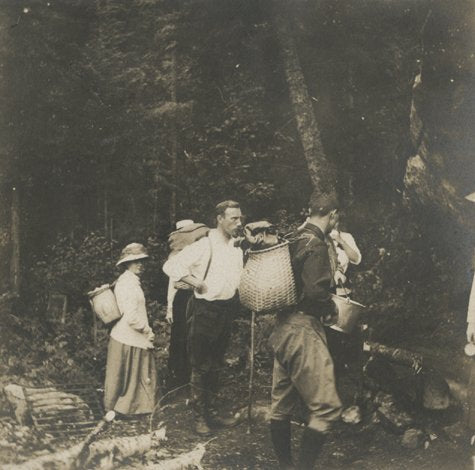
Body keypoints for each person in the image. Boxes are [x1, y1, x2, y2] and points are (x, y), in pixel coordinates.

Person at [269, 191, 342, 470]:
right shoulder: (318, 245)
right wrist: (331, 308)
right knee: (326, 408)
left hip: (282, 328)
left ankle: (286, 466)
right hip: (303, 330)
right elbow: (314, 291)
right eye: (336, 217)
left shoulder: (293, 239)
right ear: (332, 215)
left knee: (281, 405)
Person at [163, 200, 243, 435]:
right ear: (219, 219)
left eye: (240, 218)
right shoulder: (204, 245)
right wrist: (195, 281)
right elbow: (171, 266)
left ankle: (214, 413)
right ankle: (200, 417)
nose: (238, 223)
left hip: (226, 310)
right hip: (204, 311)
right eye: (233, 218)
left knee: (217, 363)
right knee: (200, 364)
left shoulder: (236, 248)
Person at [104, 243, 157, 416]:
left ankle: (131, 408)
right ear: (127, 264)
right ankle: (120, 409)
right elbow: (131, 316)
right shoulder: (126, 283)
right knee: (127, 375)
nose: (140, 264)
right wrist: (147, 330)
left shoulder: (132, 281)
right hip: (128, 335)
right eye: (135, 261)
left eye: (142, 261)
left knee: (133, 374)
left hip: (131, 335)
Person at [166, 219, 206, 390]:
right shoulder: (175, 255)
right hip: (181, 299)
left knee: (195, 336)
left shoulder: (199, 252)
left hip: (196, 296)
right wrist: (169, 308)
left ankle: (194, 377)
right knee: (180, 337)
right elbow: (172, 285)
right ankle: (179, 378)